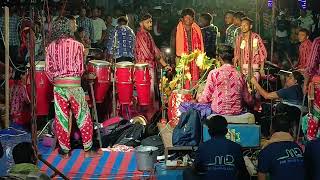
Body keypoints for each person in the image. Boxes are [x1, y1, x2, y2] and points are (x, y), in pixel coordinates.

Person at [45, 16, 98, 158]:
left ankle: (64, 152)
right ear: (68, 28)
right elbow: (80, 69)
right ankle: (87, 150)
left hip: (58, 86)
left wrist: (57, 80)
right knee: (82, 116)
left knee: (61, 118)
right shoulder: (78, 45)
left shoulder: (50, 47)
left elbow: (48, 70)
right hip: (74, 84)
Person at [183, 115, 248, 180]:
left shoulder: (203, 147)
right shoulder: (236, 147)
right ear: (226, 131)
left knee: (187, 171)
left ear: (209, 132)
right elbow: (243, 171)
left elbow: (196, 167)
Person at [198, 45, 253, 115]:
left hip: (218, 113)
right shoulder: (240, 75)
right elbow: (248, 99)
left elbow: (205, 98)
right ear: (232, 58)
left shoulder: (214, 74)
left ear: (219, 58)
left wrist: (197, 98)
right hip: (237, 113)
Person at [135, 13, 172, 118]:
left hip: (150, 67)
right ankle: (146, 118)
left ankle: (152, 117)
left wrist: (165, 65)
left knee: (152, 93)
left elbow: (156, 51)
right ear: (141, 23)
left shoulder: (148, 34)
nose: (150, 24)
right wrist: (157, 59)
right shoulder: (140, 35)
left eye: (151, 22)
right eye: (148, 22)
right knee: (147, 94)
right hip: (144, 69)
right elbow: (148, 54)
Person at [257, 113, 305, 180]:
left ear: (271, 128)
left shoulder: (266, 151)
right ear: (289, 130)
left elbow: (261, 177)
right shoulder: (298, 147)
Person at [170, 8, 204, 87]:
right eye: (186, 17)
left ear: (193, 19)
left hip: (195, 59)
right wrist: (172, 62)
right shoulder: (176, 30)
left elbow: (201, 46)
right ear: (182, 19)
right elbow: (172, 46)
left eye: (190, 17)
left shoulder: (197, 30)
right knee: (182, 81)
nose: (188, 19)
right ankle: (183, 97)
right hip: (181, 59)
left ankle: (192, 96)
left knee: (195, 80)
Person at [302, 36, 320, 140]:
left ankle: (311, 144)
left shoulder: (317, 41)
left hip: (318, 85)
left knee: (315, 116)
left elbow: (310, 66)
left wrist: (305, 84)